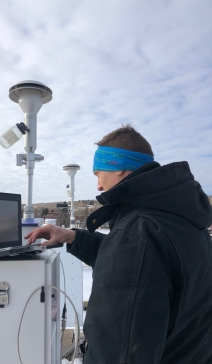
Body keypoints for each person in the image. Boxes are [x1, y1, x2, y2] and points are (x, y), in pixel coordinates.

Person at [25, 124, 212, 364]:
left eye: (97, 173)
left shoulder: (137, 234)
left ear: (118, 168)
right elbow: (145, 262)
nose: (99, 186)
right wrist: (73, 237)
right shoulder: (179, 218)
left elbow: (116, 351)